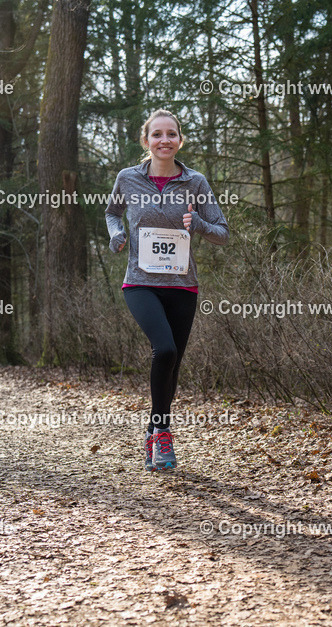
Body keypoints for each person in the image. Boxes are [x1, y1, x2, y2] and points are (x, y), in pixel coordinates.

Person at [105, 109, 229, 471]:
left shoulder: (195, 182)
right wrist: (117, 234)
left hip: (182, 286)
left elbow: (222, 233)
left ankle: (153, 431)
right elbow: (113, 213)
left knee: (173, 365)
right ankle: (163, 435)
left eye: (171, 134)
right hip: (140, 282)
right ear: (147, 141)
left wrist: (199, 223)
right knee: (165, 349)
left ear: (179, 140)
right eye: (156, 135)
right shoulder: (128, 179)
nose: (164, 140)